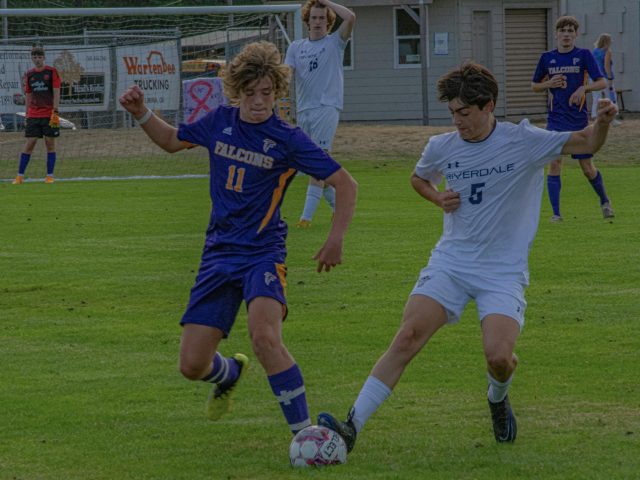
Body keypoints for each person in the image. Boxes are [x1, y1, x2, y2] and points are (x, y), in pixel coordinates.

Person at [316, 61, 617, 452]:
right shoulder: (442, 146)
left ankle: (497, 397)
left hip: (502, 272)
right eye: (452, 113)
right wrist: (437, 196)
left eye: (465, 112)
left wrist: (605, 121)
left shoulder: (523, 140)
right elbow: (419, 177)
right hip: (452, 262)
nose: (458, 121)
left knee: (500, 357)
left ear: (488, 106)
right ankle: (351, 425)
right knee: (407, 336)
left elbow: (588, 141)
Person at [118, 41, 357, 435]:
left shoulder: (288, 138)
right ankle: (228, 373)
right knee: (192, 365)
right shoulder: (219, 122)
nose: (259, 101)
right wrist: (142, 112)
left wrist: (336, 239)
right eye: (250, 93)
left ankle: (305, 436)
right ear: (237, 91)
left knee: (264, 337)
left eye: (266, 93)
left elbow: (345, 184)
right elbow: (172, 141)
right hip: (218, 254)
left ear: (278, 92)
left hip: (263, 252)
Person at [531, 16, 614, 222]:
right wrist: (549, 83)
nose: (566, 34)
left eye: (570, 31)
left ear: (576, 34)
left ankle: (605, 201)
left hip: (578, 121)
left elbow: (602, 82)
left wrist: (583, 88)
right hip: (555, 120)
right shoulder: (547, 58)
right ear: (556, 34)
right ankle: (556, 214)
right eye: (563, 30)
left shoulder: (584, 55)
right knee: (554, 164)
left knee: (587, 168)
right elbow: (534, 86)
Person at [284, 0, 355, 228]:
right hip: (304, 110)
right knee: (313, 167)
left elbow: (351, 17)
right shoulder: (296, 47)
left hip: (327, 107)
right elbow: (287, 76)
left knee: (319, 159)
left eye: (322, 18)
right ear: (307, 21)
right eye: (313, 17)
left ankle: (306, 218)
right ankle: (339, 209)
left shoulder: (335, 43)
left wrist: (324, 2)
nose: (317, 22)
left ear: (329, 21)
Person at [12, 44, 61, 185]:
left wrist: (55, 111)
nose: (37, 59)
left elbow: (57, 91)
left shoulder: (52, 72)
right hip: (33, 115)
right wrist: (27, 114)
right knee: (30, 143)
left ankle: (49, 176)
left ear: (44, 57)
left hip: (49, 114)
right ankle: (19, 177)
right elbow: (28, 94)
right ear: (31, 58)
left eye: (40, 56)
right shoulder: (29, 74)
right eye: (35, 56)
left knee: (50, 144)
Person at [591, 33, 621, 125]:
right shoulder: (607, 51)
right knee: (611, 96)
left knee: (596, 98)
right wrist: (610, 77)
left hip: (594, 77)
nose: (611, 42)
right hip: (604, 77)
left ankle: (595, 117)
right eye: (610, 40)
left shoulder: (595, 51)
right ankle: (612, 118)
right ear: (606, 42)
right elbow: (606, 66)